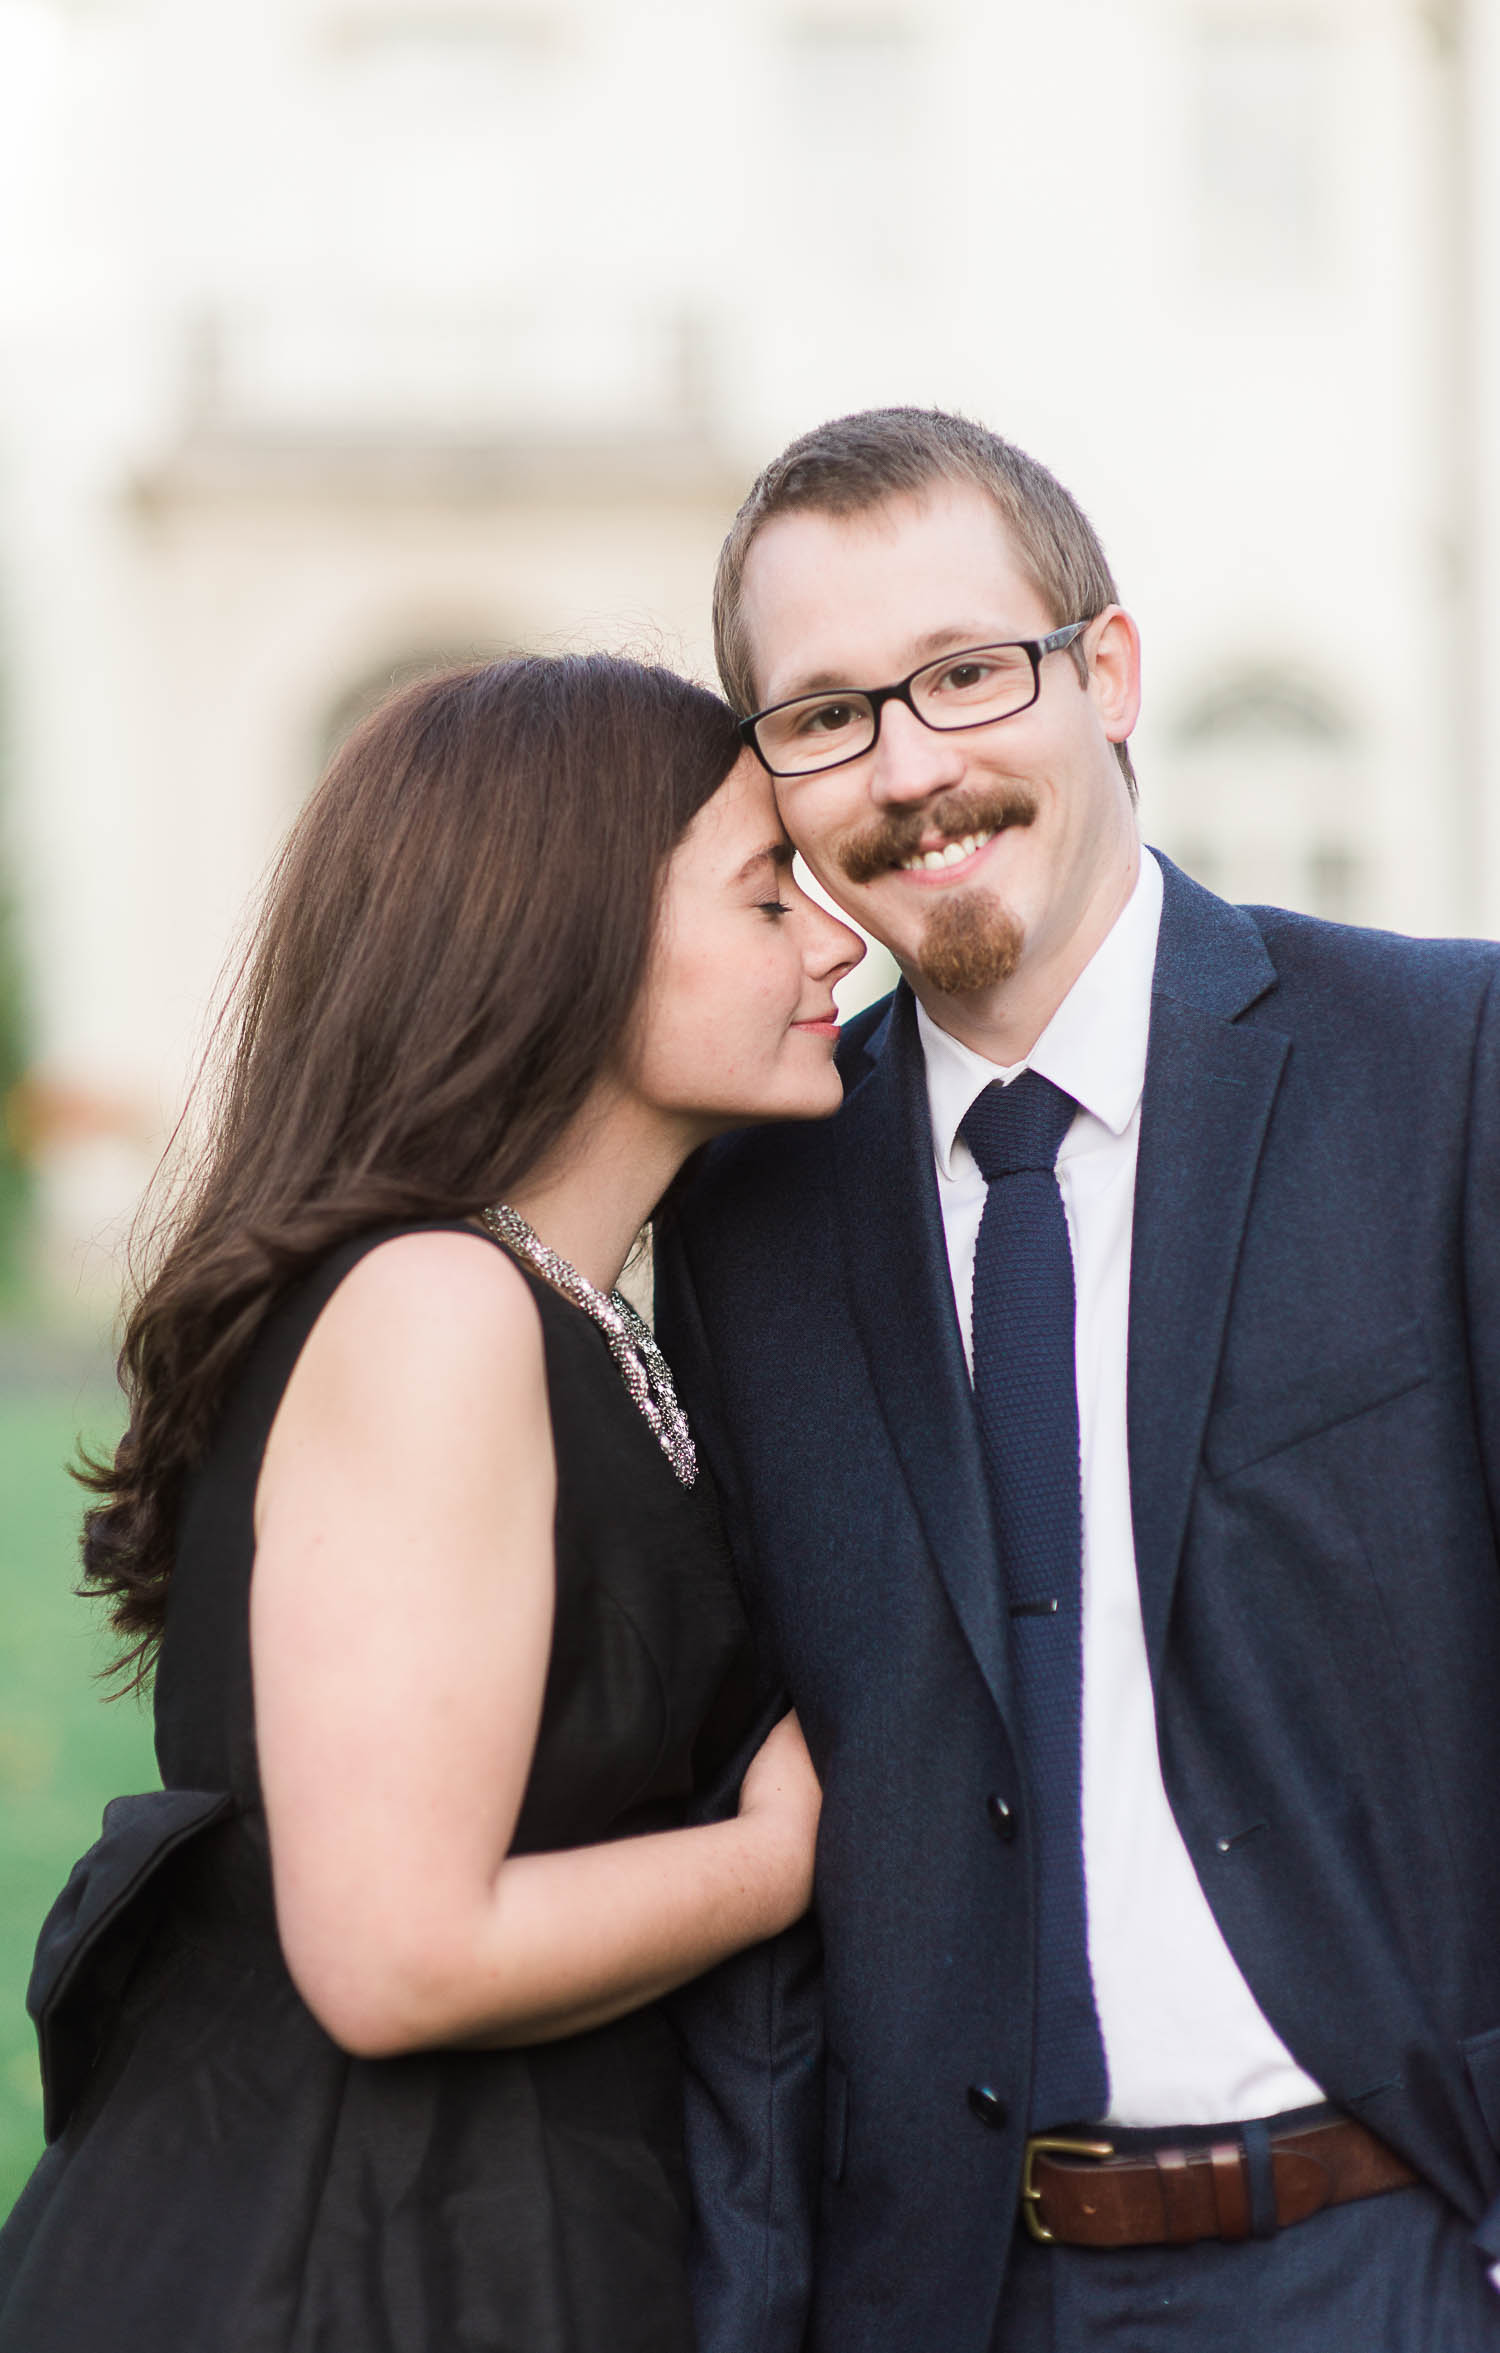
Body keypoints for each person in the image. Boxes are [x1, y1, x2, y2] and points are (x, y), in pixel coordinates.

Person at [656, 407, 1500, 2352]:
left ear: (1104, 673)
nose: (912, 766)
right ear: (771, 774)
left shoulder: (1437, 1066)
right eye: (828, 714)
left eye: (965, 674)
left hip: (1400, 2257)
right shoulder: (744, 1221)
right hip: (948, 2296)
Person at [0, 651, 863, 2353]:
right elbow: (396, 1950)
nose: (837, 939)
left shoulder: (566, 1313)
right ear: (568, 935)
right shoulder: (441, 1309)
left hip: (493, 2230)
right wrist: (779, 1855)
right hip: (347, 2266)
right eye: (769, 893)